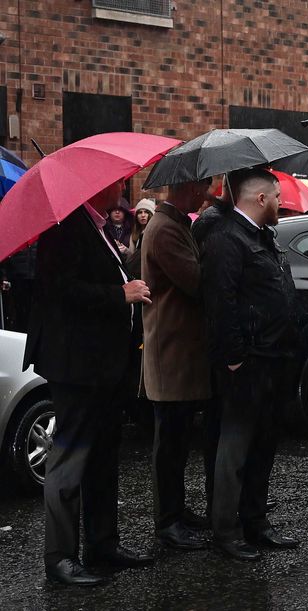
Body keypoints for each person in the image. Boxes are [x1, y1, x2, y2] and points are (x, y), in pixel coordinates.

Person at [23, 180, 154, 586]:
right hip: (76, 367)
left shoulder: (93, 225)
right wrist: (121, 293)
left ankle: (103, 543)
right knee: (71, 458)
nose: (121, 187)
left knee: (102, 457)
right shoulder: (64, 227)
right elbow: (60, 290)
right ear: (95, 187)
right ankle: (60, 558)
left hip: (103, 367)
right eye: (115, 183)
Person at [200, 168, 300, 561]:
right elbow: (219, 303)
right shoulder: (226, 238)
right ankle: (226, 530)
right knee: (235, 449)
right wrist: (236, 357)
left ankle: (256, 522)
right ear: (261, 200)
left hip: (275, 359)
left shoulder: (262, 236)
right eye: (277, 195)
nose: (281, 202)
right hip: (249, 363)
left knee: (263, 446)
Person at [140, 179, 217, 552]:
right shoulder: (165, 229)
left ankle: (177, 512)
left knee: (178, 440)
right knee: (169, 444)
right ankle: (167, 522)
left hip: (179, 350)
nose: (206, 193)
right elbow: (196, 281)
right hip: (169, 351)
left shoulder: (176, 224)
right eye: (202, 186)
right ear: (188, 188)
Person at [126, 198, 156, 280]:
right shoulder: (134, 234)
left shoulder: (155, 232)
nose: (143, 215)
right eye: (140, 212)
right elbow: (132, 255)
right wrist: (125, 250)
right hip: (137, 273)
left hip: (151, 272)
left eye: (146, 212)